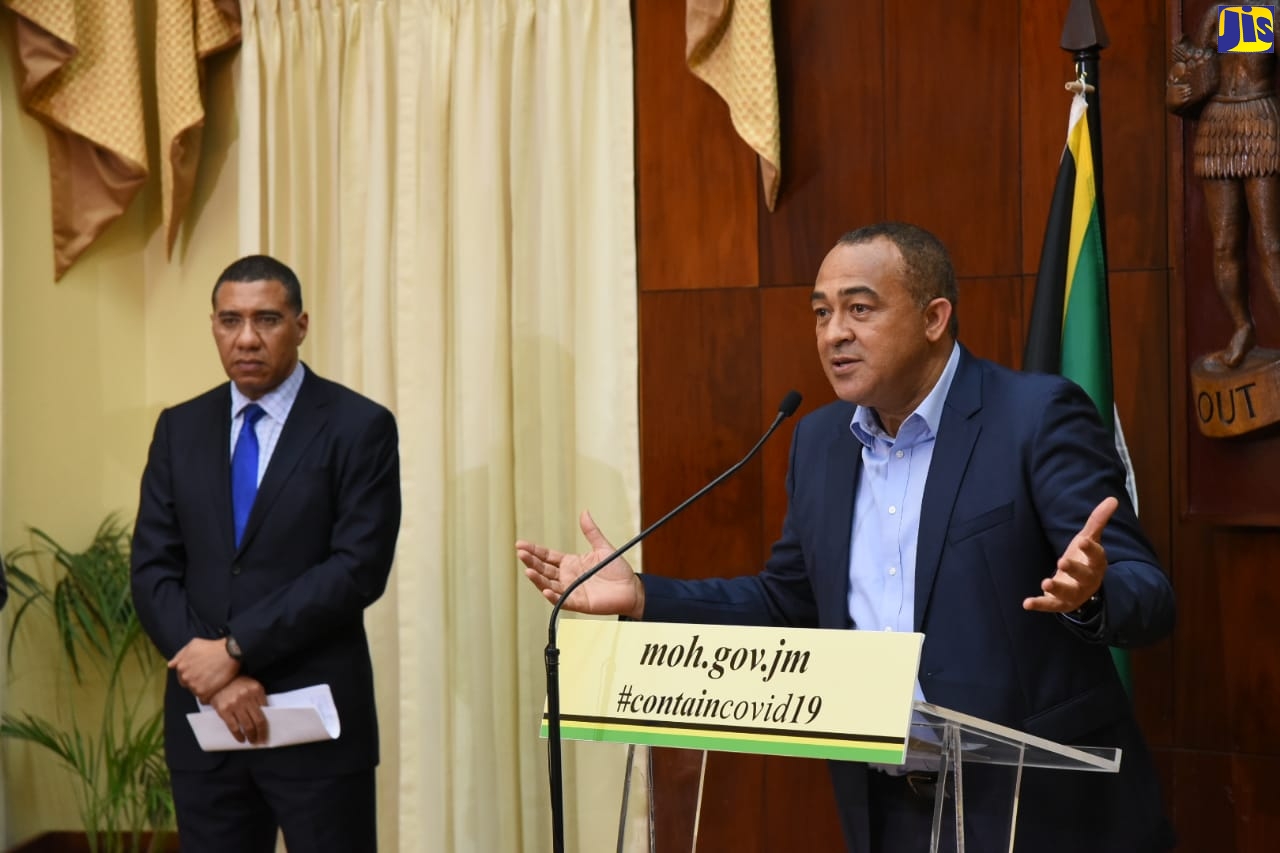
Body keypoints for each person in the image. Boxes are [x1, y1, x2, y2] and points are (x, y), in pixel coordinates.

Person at [518, 223, 1176, 852]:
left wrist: (1091, 593)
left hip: (1040, 815)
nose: (835, 334)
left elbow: (1148, 593)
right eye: (821, 313)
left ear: (934, 317)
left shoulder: (1032, 415)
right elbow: (787, 600)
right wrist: (641, 595)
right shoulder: (821, 440)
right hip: (888, 811)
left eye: (860, 309)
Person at [131, 255, 401, 853]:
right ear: (213, 326)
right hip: (206, 728)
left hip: (318, 730)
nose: (246, 338)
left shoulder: (359, 427)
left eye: (267, 319)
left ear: (301, 326)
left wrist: (235, 649)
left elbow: (358, 569)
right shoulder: (180, 428)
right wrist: (214, 680)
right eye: (230, 320)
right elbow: (152, 569)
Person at [1168, 4, 1280, 369]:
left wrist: (1254, 25)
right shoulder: (1219, 13)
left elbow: (1257, 52)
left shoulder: (1270, 11)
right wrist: (1180, 90)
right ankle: (1241, 326)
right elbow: (1194, 73)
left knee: (1269, 243)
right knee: (1224, 244)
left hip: (1258, 119)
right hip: (1218, 124)